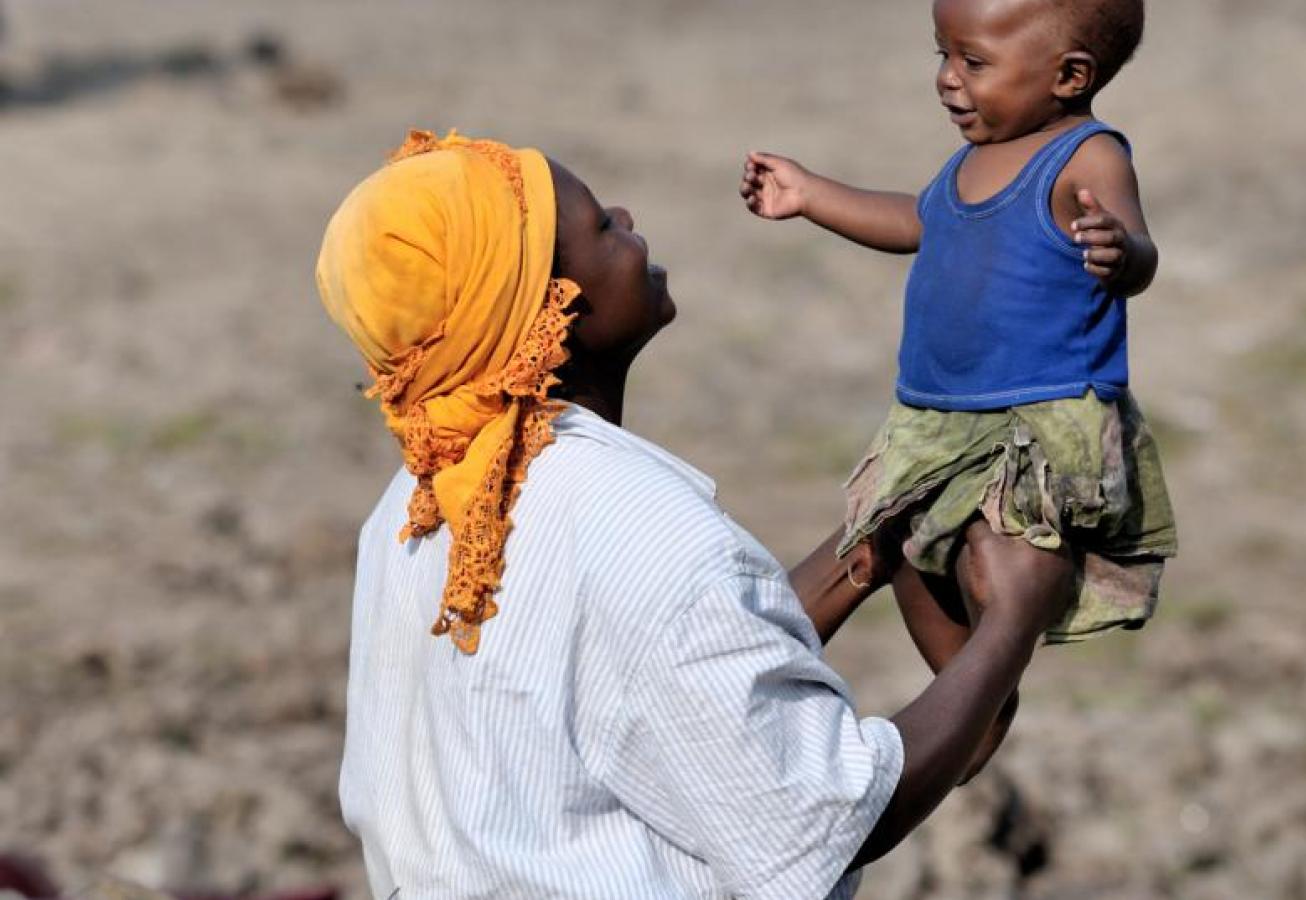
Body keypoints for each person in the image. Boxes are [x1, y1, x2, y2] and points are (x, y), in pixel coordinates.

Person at [316, 130, 1066, 899]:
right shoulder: (638, 526)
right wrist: (1010, 624)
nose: (626, 215)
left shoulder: (413, 513)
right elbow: (829, 820)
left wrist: (861, 558)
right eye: (601, 229)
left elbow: (655, 679)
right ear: (550, 312)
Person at [740, 0, 1178, 779]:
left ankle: (977, 700)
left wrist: (1122, 252)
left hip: (1033, 430)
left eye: (972, 62)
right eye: (941, 55)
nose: (947, 80)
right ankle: (969, 708)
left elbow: (1139, 248)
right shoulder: (972, 160)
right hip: (933, 424)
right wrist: (812, 195)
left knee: (991, 572)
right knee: (905, 558)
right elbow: (919, 221)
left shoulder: (1087, 156)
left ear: (1068, 75)